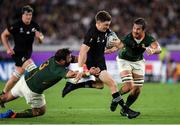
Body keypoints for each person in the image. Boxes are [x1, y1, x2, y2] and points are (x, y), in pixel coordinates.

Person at [62, 10, 140, 119]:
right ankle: (126, 110)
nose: (107, 27)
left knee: (99, 85)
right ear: (98, 23)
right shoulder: (91, 34)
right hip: (93, 63)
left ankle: (73, 85)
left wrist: (113, 48)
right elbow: (83, 52)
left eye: (109, 24)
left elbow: (120, 44)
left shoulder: (108, 31)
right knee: (113, 84)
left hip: (101, 60)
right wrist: (80, 69)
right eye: (105, 25)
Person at [0, 48, 99, 118]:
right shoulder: (57, 69)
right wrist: (90, 72)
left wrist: (88, 60)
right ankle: (13, 115)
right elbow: (74, 74)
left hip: (25, 79)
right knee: (39, 111)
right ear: (61, 61)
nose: (71, 58)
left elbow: (77, 58)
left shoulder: (55, 59)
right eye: (69, 58)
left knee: (5, 98)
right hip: (32, 91)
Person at [110, 18, 162, 116]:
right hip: (124, 60)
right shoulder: (129, 37)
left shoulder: (148, 38)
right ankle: (116, 99)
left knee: (137, 89)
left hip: (138, 61)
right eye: (134, 28)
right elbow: (120, 45)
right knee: (129, 86)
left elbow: (158, 48)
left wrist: (153, 50)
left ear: (143, 30)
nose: (135, 30)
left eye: (138, 29)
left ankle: (125, 108)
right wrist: (113, 47)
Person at [0, 5, 44, 107]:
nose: (28, 17)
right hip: (18, 54)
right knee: (33, 69)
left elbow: (41, 40)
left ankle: (2, 97)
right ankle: (35, 96)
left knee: (15, 77)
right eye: (27, 15)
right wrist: (8, 48)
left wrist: (40, 38)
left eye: (30, 15)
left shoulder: (35, 25)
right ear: (22, 15)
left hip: (27, 54)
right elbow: (3, 35)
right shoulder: (16, 25)